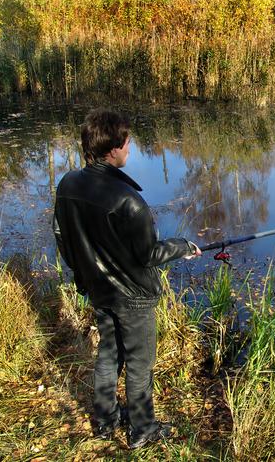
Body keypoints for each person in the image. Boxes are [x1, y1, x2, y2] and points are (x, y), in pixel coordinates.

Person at [52, 108, 201, 449]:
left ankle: (104, 421)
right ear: (114, 148)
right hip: (133, 298)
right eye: (127, 142)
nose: (130, 149)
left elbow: (62, 236)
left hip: (99, 291)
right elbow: (148, 255)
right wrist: (183, 246)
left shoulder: (68, 184)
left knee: (108, 354)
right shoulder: (129, 201)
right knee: (139, 364)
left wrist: (82, 275)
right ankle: (142, 429)